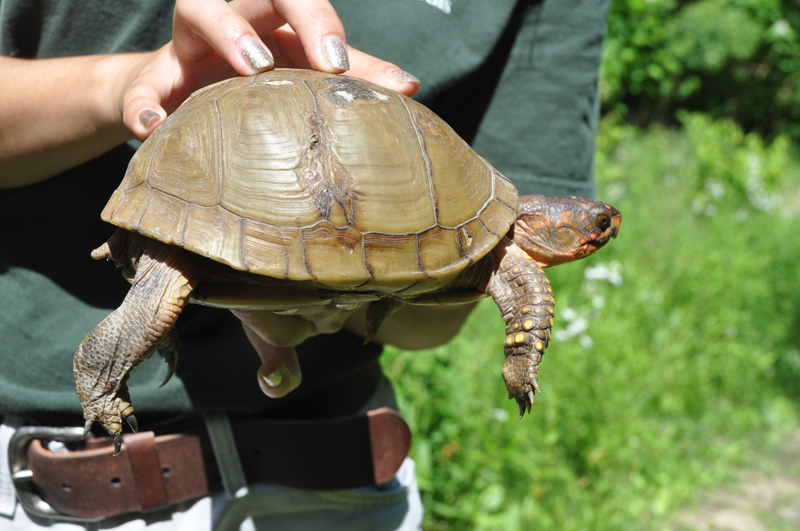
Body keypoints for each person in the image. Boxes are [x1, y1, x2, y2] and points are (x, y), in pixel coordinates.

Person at [0, 0, 610, 528]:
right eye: (595, 225)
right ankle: (101, 372)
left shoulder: (494, 239)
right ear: (553, 225)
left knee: (171, 273)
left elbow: (431, 319)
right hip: (64, 497)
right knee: (166, 274)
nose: (599, 231)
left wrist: (334, 297)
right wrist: (128, 82)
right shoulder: (505, 244)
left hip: (342, 485)